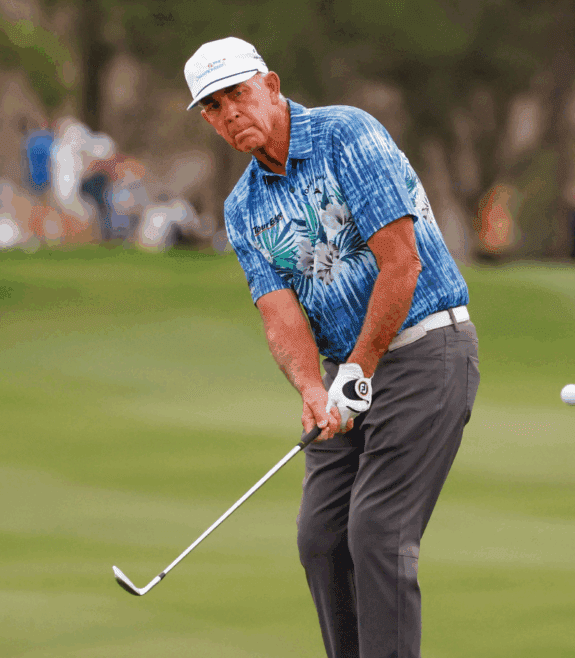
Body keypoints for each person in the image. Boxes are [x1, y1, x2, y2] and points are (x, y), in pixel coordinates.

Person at [183, 37, 480, 658]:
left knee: (377, 531)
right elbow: (279, 313)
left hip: (426, 350)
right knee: (321, 536)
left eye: (236, 93)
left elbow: (401, 263)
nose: (229, 112)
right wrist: (313, 388)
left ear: (270, 83)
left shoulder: (347, 134)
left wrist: (359, 368)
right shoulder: (243, 207)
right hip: (347, 371)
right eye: (212, 106)